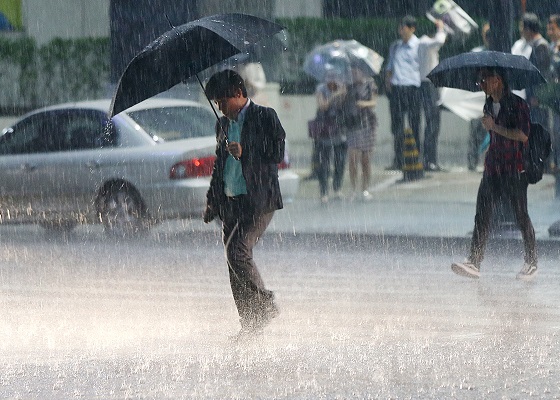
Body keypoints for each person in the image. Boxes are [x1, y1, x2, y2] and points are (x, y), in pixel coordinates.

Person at [202, 69, 284, 340]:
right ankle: (250, 323)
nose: (220, 108)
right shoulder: (222, 125)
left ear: (238, 93)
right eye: (216, 104)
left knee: (237, 251)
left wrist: (246, 149)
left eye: (222, 101)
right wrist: (212, 200)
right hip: (230, 201)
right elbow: (219, 166)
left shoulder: (264, 116)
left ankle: (265, 304)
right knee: (232, 262)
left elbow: (276, 152)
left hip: (258, 200)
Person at [451, 67, 538, 280]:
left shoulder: (518, 104)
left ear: (497, 80)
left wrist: (494, 127)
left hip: (514, 169)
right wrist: (491, 134)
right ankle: (474, 261)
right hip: (493, 167)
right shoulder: (489, 103)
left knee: (520, 215)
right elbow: (494, 133)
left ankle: (532, 261)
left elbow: (523, 135)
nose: (480, 84)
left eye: (483, 80)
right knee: (482, 214)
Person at [385, 15, 421, 170]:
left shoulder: (419, 46)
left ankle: (415, 158)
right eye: (400, 27)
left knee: (414, 124)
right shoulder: (396, 46)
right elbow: (389, 66)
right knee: (397, 125)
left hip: (413, 87)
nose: (401, 30)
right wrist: (388, 82)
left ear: (412, 29)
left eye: (404, 27)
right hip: (398, 88)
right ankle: (398, 159)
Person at [418, 19, 447, 172]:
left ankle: (430, 159)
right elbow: (440, 40)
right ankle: (429, 160)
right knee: (433, 124)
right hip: (428, 86)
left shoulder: (423, 44)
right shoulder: (424, 43)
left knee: (432, 124)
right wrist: (441, 28)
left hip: (428, 85)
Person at [314, 73, 348, 203]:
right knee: (324, 163)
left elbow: (345, 107)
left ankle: (337, 188)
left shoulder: (343, 88)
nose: (333, 80)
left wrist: (343, 94)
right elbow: (323, 106)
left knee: (340, 161)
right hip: (325, 129)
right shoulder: (321, 89)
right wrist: (334, 95)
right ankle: (324, 192)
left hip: (340, 129)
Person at [346, 67, 378, 201]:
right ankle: (353, 188)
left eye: (356, 72)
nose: (354, 74)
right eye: (352, 72)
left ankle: (365, 188)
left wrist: (363, 104)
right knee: (353, 158)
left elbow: (374, 102)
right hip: (353, 125)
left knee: (366, 160)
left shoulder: (370, 84)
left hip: (367, 124)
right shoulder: (348, 85)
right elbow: (343, 103)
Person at [467, 22, 491, 171]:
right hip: (478, 99)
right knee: (475, 131)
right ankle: (472, 161)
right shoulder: (477, 53)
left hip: (493, 98)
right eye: (487, 34)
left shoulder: (500, 53)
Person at [521, 13, 551, 128]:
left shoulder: (541, 46)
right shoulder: (534, 45)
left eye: (523, 28)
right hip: (532, 98)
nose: (521, 31)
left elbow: (543, 73)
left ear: (528, 29)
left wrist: (539, 96)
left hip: (537, 100)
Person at [547, 14, 560, 170]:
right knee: (554, 131)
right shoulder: (550, 47)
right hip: (552, 96)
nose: (549, 31)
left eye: (553, 28)